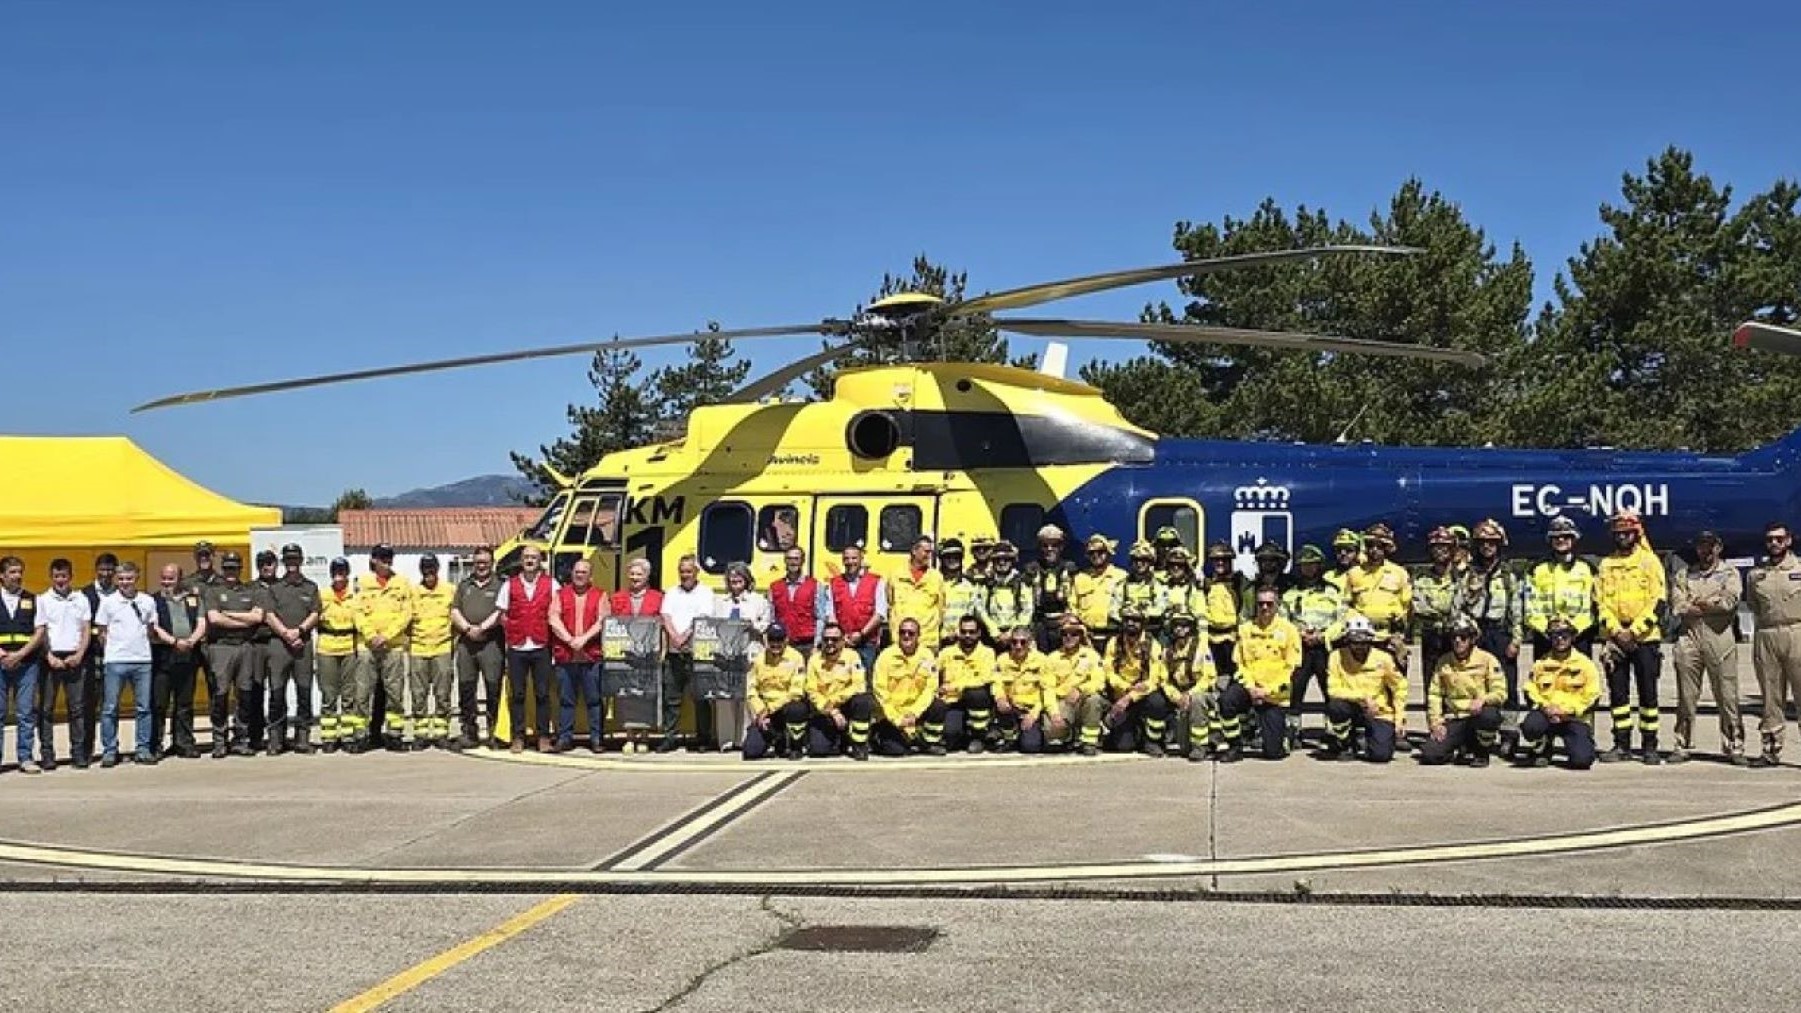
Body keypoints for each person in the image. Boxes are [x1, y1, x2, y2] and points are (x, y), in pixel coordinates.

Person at [1595, 511, 1667, 764]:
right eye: (1618, 534)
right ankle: (1621, 744)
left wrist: (1634, 632)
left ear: (1636, 535)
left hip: (1644, 638)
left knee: (1648, 695)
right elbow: (1600, 603)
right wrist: (1616, 631)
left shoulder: (1650, 562)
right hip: (1615, 638)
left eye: (1627, 533)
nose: (1623, 537)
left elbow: (1658, 602)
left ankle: (1650, 746)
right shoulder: (1606, 565)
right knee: (1618, 695)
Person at [1668, 530, 1744, 764]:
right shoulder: (1684, 574)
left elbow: (1729, 602)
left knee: (1727, 695)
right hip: (1689, 636)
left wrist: (1701, 604)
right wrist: (1708, 604)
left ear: (1719, 548)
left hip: (1718, 635)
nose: (1705, 550)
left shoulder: (1729, 573)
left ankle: (1734, 745)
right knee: (1686, 697)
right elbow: (1678, 605)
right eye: (1701, 546)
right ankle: (1682, 744)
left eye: (1710, 546)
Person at [1224, 586, 1302, 761]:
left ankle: (1286, 734)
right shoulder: (1245, 630)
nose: (1265, 608)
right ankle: (1234, 746)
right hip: (1250, 687)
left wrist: (1267, 691)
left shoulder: (1289, 631)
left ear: (1277, 605)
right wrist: (1251, 688)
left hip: (1275, 693)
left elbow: (1292, 670)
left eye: (1269, 603)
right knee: (1227, 700)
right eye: (1261, 604)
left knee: (1273, 754)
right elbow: (1239, 665)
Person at [1746, 521, 1801, 768]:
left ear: (1789, 541)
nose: (1774, 544)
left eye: (1779, 539)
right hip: (1767, 633)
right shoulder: (1757, 574)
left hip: (1796, 631)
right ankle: (1770, 749)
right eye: (1770, 539)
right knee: (1770, 696)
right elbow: (1753, 605)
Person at [93, 561, 158, 766]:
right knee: (110, 708)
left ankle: (143, 748)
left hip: (142, 660)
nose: (125, 583)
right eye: (121, 579)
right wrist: (111, 651)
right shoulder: (108, 602)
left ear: (137, 577)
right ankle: (110, 750)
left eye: (129, 578)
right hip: (115, 661)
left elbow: (151, 628)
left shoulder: (147, 600)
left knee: (144, 707)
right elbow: (102, 631)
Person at [1514, 617, 1601, 769]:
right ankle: (1542, 749)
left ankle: (1581, 743)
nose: (1560, 639)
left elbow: (1593, 696)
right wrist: (1545, 707)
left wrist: (1567, 711)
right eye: (1555, 636)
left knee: (1582, 760)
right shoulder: (1541, 663)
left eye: (1565, 635)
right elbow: (1530, 689)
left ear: (1573, 637)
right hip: (1547, 715)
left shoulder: (1585, 664)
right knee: (1531, 725)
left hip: (1573, 718)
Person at [1418, 616, 1506, 767]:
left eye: (1463, 637)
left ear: (1472, 639)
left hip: (1476, 716)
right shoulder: (1443, 662)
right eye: (1454, 637)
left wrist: (1483, 700)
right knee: (1430, 754)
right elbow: (1434, 695)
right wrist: (1436, 723)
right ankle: (1459, 747)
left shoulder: (1487, 660)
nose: (1458, 641)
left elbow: (1500, 692)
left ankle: (1481, 752)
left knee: (1490, 716)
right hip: (1454, 718)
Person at [1455, 519, 1523, 710]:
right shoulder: (1468, 575)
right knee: (1474, 681)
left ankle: (1509, 731)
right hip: (1475, 633)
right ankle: (1481, 731)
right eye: (1483, 543)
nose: (1487, 546)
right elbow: (1458, 605)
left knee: (1507, 682)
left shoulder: (1508, 576)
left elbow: (1516, 611)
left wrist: (1516, 641)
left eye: (1492, 542)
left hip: (1500, 633)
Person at [204, 551, 266, 757]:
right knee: (220, 694)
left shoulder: (250, 590)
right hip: (221, 647)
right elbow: (214, 619)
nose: (231, 572)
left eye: (235, 568)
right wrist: (243, 620)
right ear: (223, 569)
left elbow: (257, 618)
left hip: (245, 646)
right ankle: (219, 740)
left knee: (245, 694)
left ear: (241, 569)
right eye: (228, 568)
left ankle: (241, 738)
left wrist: (228, 614)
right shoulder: (214, 591)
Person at [1282, 544, 1344, 749]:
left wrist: (1324, 636)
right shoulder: (1290, 594)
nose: (1308, 569)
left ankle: (1332, 732)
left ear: (1320, 566)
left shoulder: (1332, 592)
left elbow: (1341, 620)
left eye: (1312, 565)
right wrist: (1299, 635)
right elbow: (1284, 620)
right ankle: (1293, 731)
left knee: (1331, 689)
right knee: (1294, 691)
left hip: (1324, 648)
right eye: (1304, 565)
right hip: (1300, 649)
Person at [1321, 615, 1406, 763]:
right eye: (1355, 642)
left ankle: (1367, 741)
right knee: (1335, 707)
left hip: (1378, 711)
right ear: (1348, 641)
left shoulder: (1384, 658)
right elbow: (1333, 689)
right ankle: (1345, 743)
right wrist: (1362, 698)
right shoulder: (1336, 657)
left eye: (1364, 642)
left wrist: (1399, 719)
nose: (1359, 647)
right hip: (1351, 706)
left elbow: (1399, 687)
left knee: (1381, 756)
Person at [355, 544, 415, 751]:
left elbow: (406, 613)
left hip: (393, 646)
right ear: (373, 560)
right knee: (362, 693)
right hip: (367, 646)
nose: (387, 561)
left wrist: (387, 635)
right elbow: (357, 612)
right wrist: (372, 635)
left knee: (394, 692)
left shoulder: (402, 583)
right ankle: (361, 735)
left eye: (389, 557)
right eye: (382, 558)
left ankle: (394, 735)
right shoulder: (362, 583)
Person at [496, 544, 556, 753]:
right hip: (517, 646)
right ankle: (518, 736)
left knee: (542, 694)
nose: (530, 561)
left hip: (541, 645)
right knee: (518, 694)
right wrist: (514, 630)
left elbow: (556, 613)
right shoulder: (509, 585)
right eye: (526, 557)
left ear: (541, 561)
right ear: (521, 561)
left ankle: (543, 736)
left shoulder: (552, 584)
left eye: (534, 557)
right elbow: (502, 615)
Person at [263, 543, 321, 755]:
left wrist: (300, 630)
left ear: (301, 560)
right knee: (277, 693)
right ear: (283, 562)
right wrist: (286, 634)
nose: (292, 563)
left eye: (295, 559)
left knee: (304, 692)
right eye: (288, 559)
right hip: (279, 645)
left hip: (302, 645)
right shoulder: (275, 588)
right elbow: (269, 615)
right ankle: (276, 739)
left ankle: (302, 738)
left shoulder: (310, 587)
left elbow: (315, 613)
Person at [31, 557, 87, 770]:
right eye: (56, 576)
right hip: (50, 658)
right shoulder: (42, 599)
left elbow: (85, 628)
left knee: (77, 708)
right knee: (46, 709)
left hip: (75, 657)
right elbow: (41, 631)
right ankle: (47, 754)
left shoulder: (80, 598)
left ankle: (79, 753)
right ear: (51, 577)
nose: (60, 580)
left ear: (71, 576)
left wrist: (80, 653)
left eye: (64, 576)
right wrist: (49, 656)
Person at [549, 558, 608, 753]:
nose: (579, 575)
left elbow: (602, 621)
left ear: (590, 576)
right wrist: (569, 640)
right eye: (576, 571)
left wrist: (583, 639)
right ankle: (565, 738)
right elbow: (553, 618)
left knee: (594, 700)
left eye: (583, 572)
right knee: (566, 700)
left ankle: (597, 739)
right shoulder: (560, 595)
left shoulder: (601, 595)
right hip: (566, 656)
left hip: (591, 656)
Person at [658, 554, 716, 751]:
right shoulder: (672, 592)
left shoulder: (706, 593)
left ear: (696, 572)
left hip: (697, 653)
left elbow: (703, 618)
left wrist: (685, 637)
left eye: (688, 571)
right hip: (674, 653)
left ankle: (704, 738)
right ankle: (669, 737)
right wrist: (675, 637)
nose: (685, 575)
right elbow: (665, 616)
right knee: (671, 698)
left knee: (701, 698)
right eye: (682, 571)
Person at [608, 558, 665, 753]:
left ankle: (644, 737)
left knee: (646, 696)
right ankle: (629, 736)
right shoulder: (617, 598)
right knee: (627, 696)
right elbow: (611, 626)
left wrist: (662, 651)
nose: (635, 577)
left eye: (639, 574)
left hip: (649, 655)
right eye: (632, 573)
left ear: (647, 576)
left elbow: (663, 626)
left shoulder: (658, 598)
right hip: (624, 655)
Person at [450, 547, 504, 749]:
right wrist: (466, 628)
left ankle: (494, 731)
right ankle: (469, 731)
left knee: (493, 686)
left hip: (491, 642)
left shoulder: (500, 585)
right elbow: (454, 610)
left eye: (485, 562)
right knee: (466, 687)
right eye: (478, 562)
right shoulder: (464, 585)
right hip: (467, 642)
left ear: (492, 563)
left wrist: (482, 627)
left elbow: (501, 610)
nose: (481, 566)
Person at [150, 564, 206, 759]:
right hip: (164, 657)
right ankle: (155, 746)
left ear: (180, 579)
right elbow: (154, 627)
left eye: (171, 579)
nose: (166, 582)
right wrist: (174, 641)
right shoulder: (154, 600)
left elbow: (202, 622)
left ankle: (183, 743)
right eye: (164, 578)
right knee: (159, 704)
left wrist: (191, 640)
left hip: (188, 656)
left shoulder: (192, 598)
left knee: (184, 703)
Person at [712, 561, 769, 750]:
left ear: (746, 581)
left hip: (750, 652)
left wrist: (751, 624)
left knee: (747, 696)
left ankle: (744, 738)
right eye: (732, 581)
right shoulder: (721, 602)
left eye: (739, 581)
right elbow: (713, 626)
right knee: (725, 697)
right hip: (727, 656)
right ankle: (726, 740)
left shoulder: (758, 600)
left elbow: (765, 624)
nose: (735, 584)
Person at [870, 617, 948, 756]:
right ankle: (878, 738)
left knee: (938, 705)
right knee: (896, 751)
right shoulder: (885, 657)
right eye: (902, 632)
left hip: (916, 712)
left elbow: (930, 689)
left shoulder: (927, 655)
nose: (906, 636)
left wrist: (914, 713)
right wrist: (897, 718)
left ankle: (928, 743)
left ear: (918, 636)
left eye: (911, 633)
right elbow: (880, 692)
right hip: (891, 715)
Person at [1524, 516, 1598, 657]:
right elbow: (1530, 606)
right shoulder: (1536, 569)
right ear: (1550, 540)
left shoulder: (1587, 569)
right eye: (1556, 537)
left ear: (1573, 539)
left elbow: (1592, 605)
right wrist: (1547, 629)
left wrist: (1573, 629)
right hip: (1545, 638)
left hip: (1579, 637)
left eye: (1566, 536)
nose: (1561, 540)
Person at [1101, 607, 1169, 754]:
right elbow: (1108, 671)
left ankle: (1152, 741)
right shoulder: (1114, 643)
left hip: (1143, 694)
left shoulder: (1153, 645)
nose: (1131, 623)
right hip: (1120, 695)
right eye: (1127, 620)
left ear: (1143, 623)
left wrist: (1131, 697)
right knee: (1124, 747)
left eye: (1136, 620)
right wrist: (1125, 688)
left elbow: (1154, 679)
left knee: (1157, 702)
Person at [1, 556, 46, 773]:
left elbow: (39, 632)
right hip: (0, 663)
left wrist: (19, 654)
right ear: (2, 575)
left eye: (19, 572)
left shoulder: (32, 599)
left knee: (26, 712)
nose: (17, 576)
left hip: (27, 663)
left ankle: (26, 757)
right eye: (12, 572)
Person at [314, 558, 364, 752]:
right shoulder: (322, 595)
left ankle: (348, 736)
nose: (339, 576)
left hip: (348, 648)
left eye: (342, 573)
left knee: (349, 696)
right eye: (335, 573)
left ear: (347, 574)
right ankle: (329, 737)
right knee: (328, 695)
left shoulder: (355, 597)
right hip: (327, 648)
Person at [803, 622, 872, 759]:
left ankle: (859, 745)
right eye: (826, 639)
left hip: (846, 708)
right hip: (825, 711)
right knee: (818, 750)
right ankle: (839, 740)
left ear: (842, 641)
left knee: (863, 701)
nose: (830, 643)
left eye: (834, 639)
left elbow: (860, 685)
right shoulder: (814, 660)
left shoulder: (852, 657)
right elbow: (812, 691)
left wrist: (836, 701)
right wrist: (832, 710)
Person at [742, 623, 808, 760]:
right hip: (765, 713)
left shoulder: (796, 658)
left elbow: (796, 691)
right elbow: (751, 690)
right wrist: (760, 712)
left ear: (786, 640)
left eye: (779, 640)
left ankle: (796, 747)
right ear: (766, 640)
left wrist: (770, 709)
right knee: (750, 752)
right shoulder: (759, 659)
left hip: (786, 709)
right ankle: (778, 739)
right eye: (772, 640)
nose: (775, 644)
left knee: (797, 708)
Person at [1041, 615, 1106, 755]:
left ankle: (1089, 742)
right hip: (1062, 703)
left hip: (1082, 701)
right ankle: (1070, 736)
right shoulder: (1052, 658)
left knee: (1094, 699)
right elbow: (1048, 689)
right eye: (1065, 634)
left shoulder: (1092, 655)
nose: (1069, 637)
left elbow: (1099, 682)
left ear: (1081, 636)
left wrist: (1081, 690)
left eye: (1074, 634)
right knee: (1052, 734)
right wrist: (1054, 714)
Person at [1160, 608, 1218, 759]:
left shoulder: (1201, 647)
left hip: (1201, 694)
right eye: (1176, 625)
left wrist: (1190, 695)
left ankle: (1201, 747)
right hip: (1180, 696)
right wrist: (1177, 697)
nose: (1180, 629)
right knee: (1184, 748)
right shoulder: (1167, 652)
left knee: (1198, 700)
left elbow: (1209, 678)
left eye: (1184, 625)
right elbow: (1164, 680)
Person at [937, 614, 999, 751]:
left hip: (977, 702)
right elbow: (933, 673)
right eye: (964, 632)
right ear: (958, 632)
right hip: (953, 702)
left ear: (979, 633)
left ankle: (978, 736)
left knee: (976, 693)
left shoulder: (988, 653)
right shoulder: (947, 653)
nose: (967, 635)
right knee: (950, 735)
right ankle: (963, 735)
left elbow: (984, 679)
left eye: (971, 632)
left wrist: (954, 686)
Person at [1411, 527, 1463, 684]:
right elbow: (1419, 606)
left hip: (1455, 634)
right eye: (1436, 547)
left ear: (1452, 550)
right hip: (1431, 634)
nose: (1440, 551)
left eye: (1445, 547)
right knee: (1430, 676)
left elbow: (1462, 604)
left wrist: (1444, 612)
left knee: (1456, 679)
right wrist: (1441, 613)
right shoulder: (1421, 579)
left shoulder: (1461, 578)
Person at [828, 545, 887, 673]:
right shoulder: (834, 583)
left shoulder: (876, 581)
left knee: (865, 681)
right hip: (843, 642)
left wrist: (861, 634)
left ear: (861, 558)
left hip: (867, 643)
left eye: (854, 558)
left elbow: (880, 613)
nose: (850, 562)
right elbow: (831, 613)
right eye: (847, 558)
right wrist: (843, 637)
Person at [1070, 534, 1126, 656]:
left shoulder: (1121, 577)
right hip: (1087, 637)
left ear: (1109, 553)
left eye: (1100, 552)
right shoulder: (1079, 578)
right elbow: (1072, 607)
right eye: (1091, 553)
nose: (1096, 555)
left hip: (1114, 636)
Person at [1025, 525, 1078, 651]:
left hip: (1064, 623)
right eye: (1045, 545)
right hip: (1040, 624)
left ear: (1061, 547)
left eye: (1054, 545)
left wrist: (1070, 616)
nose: (1050, 549)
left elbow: (1077, 596)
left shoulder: (1070, 569)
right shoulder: (1031, 570)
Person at [889, 536, 945, 652]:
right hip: (901, 640)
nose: (929, 556)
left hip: (927, 642)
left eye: (930, 552)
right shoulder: (896, 575)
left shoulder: (936, 578)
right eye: (926, 551)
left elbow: (941, 609)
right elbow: (890, 603)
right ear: (914, 551)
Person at [768, 546, 825, 657]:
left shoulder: (815, 585)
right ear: (785, 561)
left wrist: (817, 644)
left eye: (796, 559)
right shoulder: (775, 587)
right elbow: (771, 617)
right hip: (782, 643)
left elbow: (821, 617)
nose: (793, 562)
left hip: (807, 644)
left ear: (802, 561)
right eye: (789, 559)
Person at [979, 542, 1034, 649]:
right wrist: (995, 632)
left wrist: (1012, 633)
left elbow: (1027, 609)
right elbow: (980, 609)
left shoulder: (1021, 582)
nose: (1002, 562)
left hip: (1017, 638)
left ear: (1012, 561)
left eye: (1006, 559)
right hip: (992, 637)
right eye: (997, 559)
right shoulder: (986, 582)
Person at [937, 539, 984, 649]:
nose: (952, 560)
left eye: (956, 557)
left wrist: (961, 633)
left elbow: (974, 612)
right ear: (942, 560)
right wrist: (943, 634)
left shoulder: (970, 585)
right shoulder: (935, 583)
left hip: (964, 640)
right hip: (940, 641)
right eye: (948, 557)